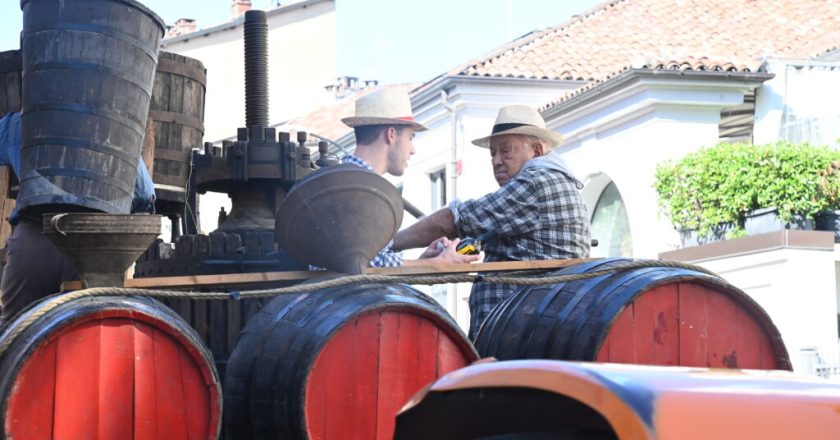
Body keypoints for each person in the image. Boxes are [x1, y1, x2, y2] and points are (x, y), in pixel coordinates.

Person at [393, 105, 591, 339]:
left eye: (505, 151)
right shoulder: (544, 182)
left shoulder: (536, 182)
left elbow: (454, 220)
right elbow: (479, 233)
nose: (496, 161)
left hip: (519, 334)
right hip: (520, 329)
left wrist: (390, 243)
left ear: (536, 151)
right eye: (493, 154)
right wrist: (445, 254)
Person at [0, 111, 155, 324]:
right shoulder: (112, 125)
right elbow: (145, 194)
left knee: (16, 336)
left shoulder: (21, 121)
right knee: (88, 335)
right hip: (95, 247)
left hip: (34, 242)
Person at [338, 88, 478, 267]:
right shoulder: (361, 187)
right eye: (411, 137)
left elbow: (370, 262)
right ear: (391, 135)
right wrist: (436, 264)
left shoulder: (346, 180)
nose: (412, 149)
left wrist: (423, 262)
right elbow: (363, 262)